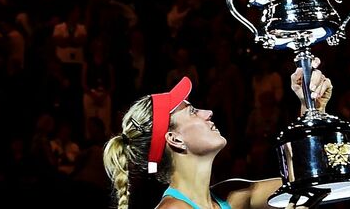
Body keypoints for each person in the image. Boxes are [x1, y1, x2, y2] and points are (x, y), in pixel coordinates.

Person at [103, 60, 333, 209]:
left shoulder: (231, 196)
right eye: (193, 111)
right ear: (174, 139)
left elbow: (305, 180)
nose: (208, 112)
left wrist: (311, 108)